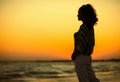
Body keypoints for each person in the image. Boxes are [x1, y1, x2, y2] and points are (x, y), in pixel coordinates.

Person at [71, 4, 100, 82]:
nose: (77, 15)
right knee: (92, 79)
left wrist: (75, 54)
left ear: (83, 14)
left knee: (83, 80)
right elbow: (92, 43)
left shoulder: (83, 27)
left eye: (79, 13)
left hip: (81, 57)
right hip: (88, 57)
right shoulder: (90, 27)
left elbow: (82, 44)